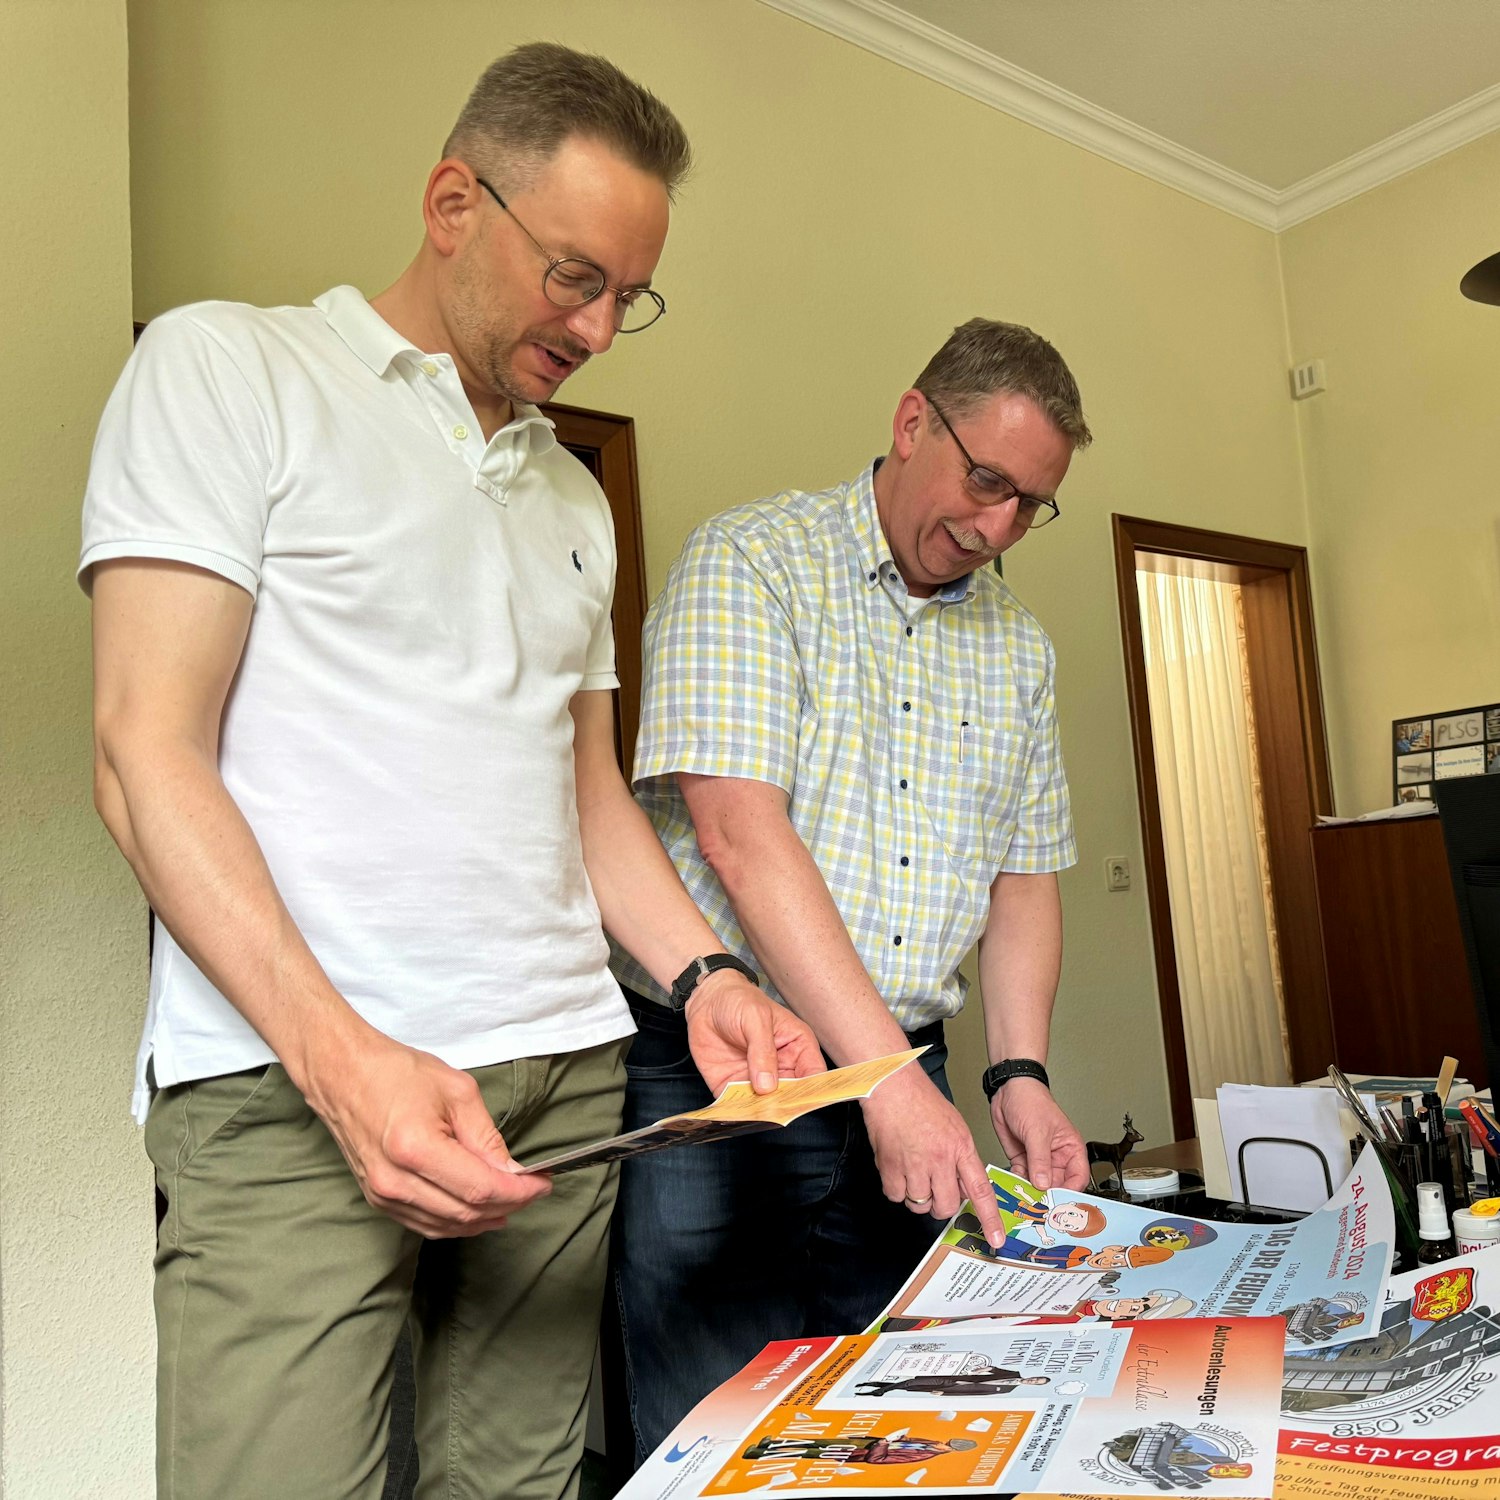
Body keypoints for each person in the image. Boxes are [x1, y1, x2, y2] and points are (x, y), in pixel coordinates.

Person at [80, 43, 821, 1500]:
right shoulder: (229, 369)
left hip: (565, 1085)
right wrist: (344, 1067)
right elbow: (140, 750)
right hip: (295, 1087)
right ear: (450, 201)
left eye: (630, 295)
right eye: (574, 276)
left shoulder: (571, 492)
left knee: (524, 1488)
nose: (602, 326)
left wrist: (710, 978)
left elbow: (590, 798)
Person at [608, 318, 1094, 1463]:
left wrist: (1016, 1071)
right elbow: (738, 832)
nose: (998, 527)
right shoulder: (754, 559)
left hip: (907, 1076)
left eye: (1032, 504)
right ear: (912, 419)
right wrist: (884, 1085)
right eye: (986, 481)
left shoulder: (1020, 647)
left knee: (896, 1434)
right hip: (731, 1072)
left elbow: (1024, 876)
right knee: (714, 1441)